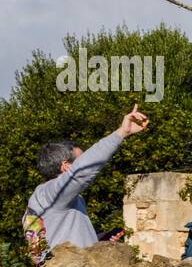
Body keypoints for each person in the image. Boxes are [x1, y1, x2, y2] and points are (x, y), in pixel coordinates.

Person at [26, 104, 149, 255]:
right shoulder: (51, 193)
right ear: (66, 166)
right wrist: (121, 132)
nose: (83, 161)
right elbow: (82, 169)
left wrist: (99, 242)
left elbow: (59, 239)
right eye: (79, 159)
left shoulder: (49, 196)